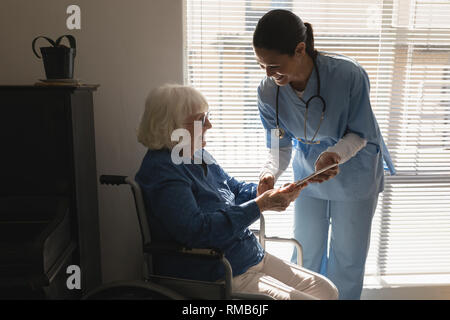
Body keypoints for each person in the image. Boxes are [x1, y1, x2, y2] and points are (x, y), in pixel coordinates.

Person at [135, 83, 338, 300]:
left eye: (207, 117)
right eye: (200, 120)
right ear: (171, 126)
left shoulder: (197, 156)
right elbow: (196, 231)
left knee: (325, 290)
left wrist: (262, 191)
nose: (209, 125)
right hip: (216, 271)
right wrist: (261, 204)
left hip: (247, 255)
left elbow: (233, 189)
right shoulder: (163, 170)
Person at [253, 9, 396, 300]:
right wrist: (268, 173)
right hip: (308, 172)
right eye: (262, 65)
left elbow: (360, 132)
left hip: (354, 169)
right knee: (306, 249)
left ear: (300, 49)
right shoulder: (268, 92)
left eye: (274, 65)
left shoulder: (347, 74)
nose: (268, 74)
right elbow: (279, 145)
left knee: (348, 257)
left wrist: (335, 154)